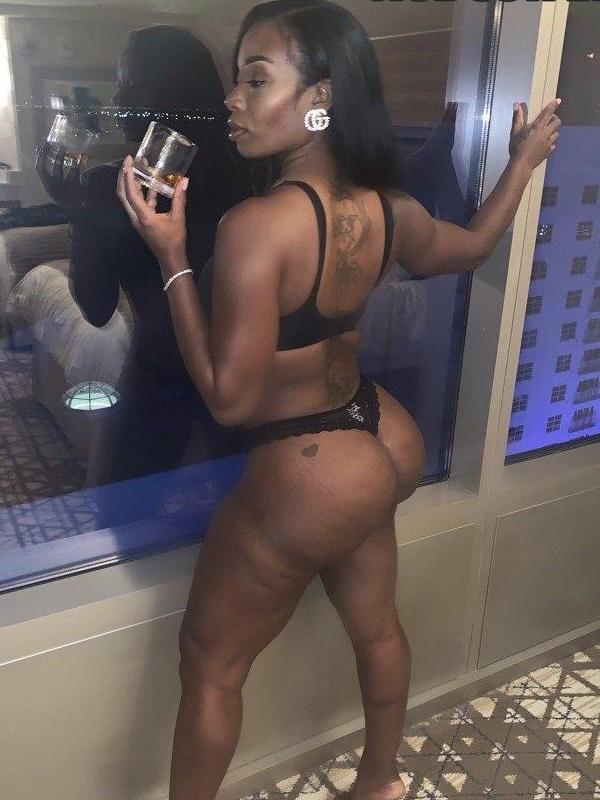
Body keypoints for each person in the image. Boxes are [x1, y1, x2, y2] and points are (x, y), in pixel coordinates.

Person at [116, 2, 562, 798]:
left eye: (257, 80)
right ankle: (381, 782)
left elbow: (228, 400)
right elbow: (474, 247)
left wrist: (172, 256)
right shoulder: (388, 207)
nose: (232, 100)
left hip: (312, 467)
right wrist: (522, 163)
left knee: (209, 664)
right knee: (377, 629)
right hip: (378, 436)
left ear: (320, 98)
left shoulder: (258, 226)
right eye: (235, 81)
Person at [36, 25, 256, 525]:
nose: (118, 101)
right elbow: (97, 310)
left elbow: (96, 309)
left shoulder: (252, 178)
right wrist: (80, 210)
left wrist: (81, 209)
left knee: (132, 521)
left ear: (170, 94)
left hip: (202, 375)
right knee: (139, 518)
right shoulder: (244, 176)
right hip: (187, 372)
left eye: (130, 86)